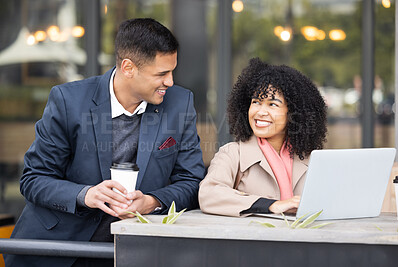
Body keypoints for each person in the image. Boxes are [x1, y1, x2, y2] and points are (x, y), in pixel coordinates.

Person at [6, 18, 205, 267]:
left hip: (134, 252)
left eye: (172, 71)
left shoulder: (180, 103)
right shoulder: (68, 100)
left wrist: (152, 202)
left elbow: (192, 181)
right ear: (128, 67)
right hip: (58, 249)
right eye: (162, 73)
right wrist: (85, 195)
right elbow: (34, 179)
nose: (170, 82)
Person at [199, 58, 327, 217]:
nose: (260, 112)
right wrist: (272, 205)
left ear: (294, 112)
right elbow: (208, 195)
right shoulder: (232, 154)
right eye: (256, 102)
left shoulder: (312, 158)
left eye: (272, 104)